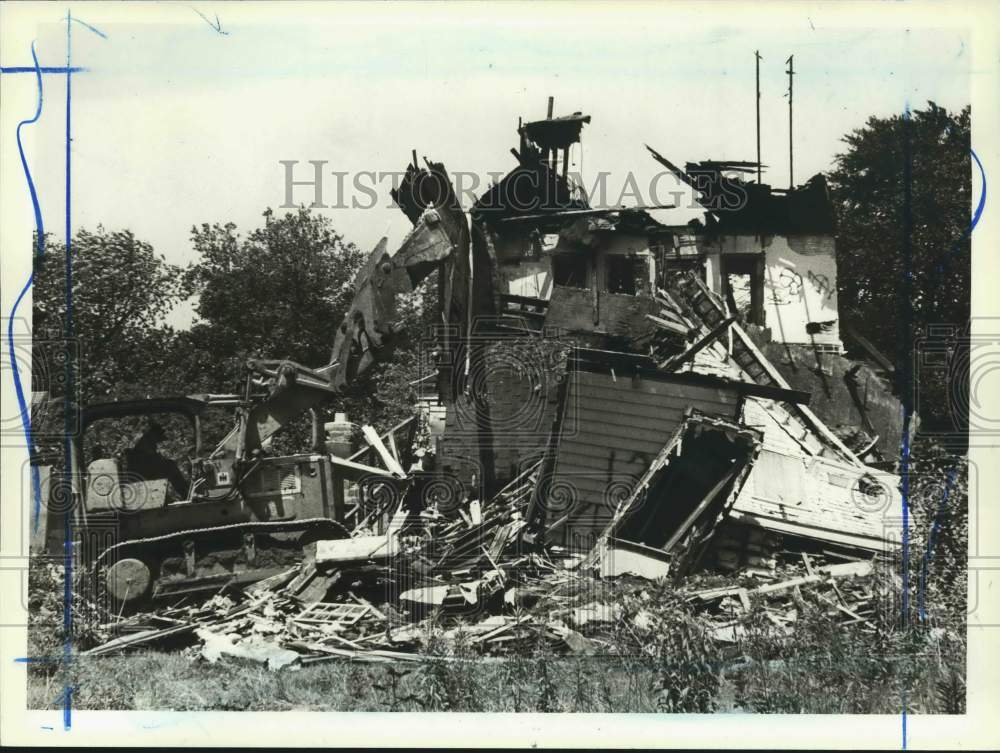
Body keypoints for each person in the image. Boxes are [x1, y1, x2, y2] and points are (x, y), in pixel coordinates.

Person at [123, 421, 189, 500]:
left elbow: (154, 461)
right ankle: (185, 494)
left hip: (145, 477)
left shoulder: (147, 444)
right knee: (170, 466)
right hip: (140, 480)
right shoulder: (144, 443)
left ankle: (185, 494)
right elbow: (153, 461)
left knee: (170, 465)